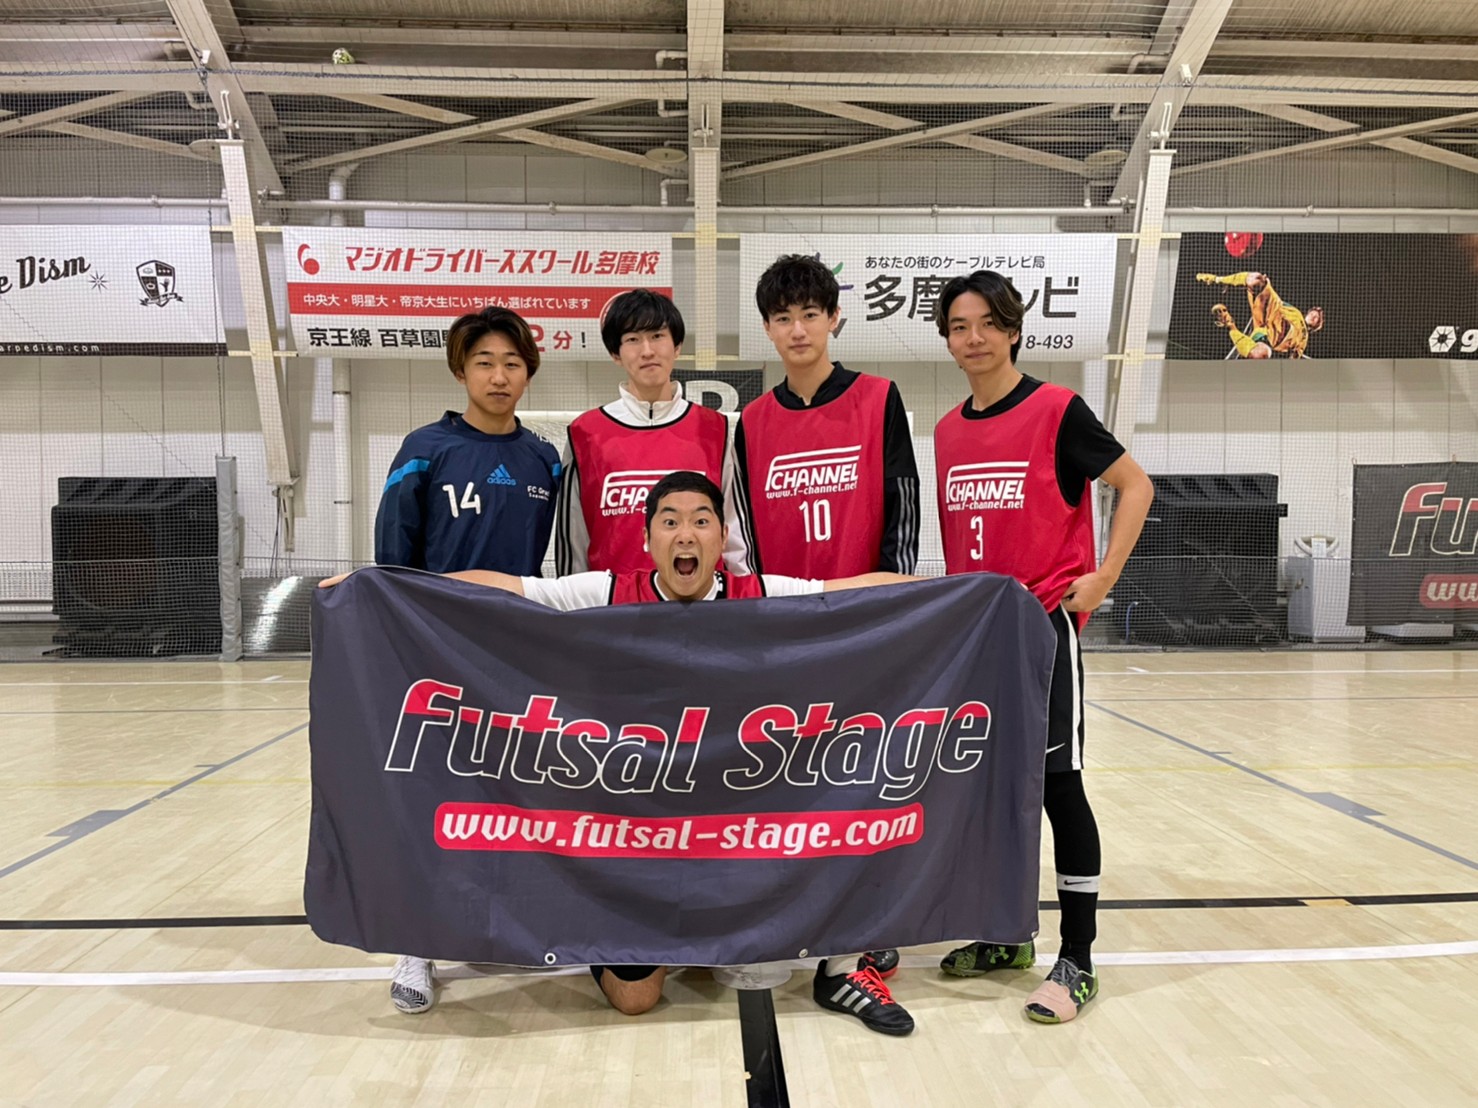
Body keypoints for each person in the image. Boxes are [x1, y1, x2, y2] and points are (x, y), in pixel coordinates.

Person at [323, 471, 918, 1030]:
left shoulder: (762, 593)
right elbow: (510, 588)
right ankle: (487, 932)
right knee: (636, 998)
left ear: (723, 536)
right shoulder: (606, 590)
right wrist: (381, 582)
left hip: (727, 821)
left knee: (791, 904)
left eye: (701, 520)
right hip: (629, 827)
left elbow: (849, 592)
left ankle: (842, 962)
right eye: (670, 521)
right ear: (647, 537)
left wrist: (958, 590)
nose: (686, 534)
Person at [930, 270, 1154, 1024]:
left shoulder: (1057, 409)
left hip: (1041, 633)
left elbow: (1135, 485)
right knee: (992, 790)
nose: (974, 338)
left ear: (1014, 330)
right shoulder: (948, 431)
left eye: (988, 323)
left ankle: (1078, 957)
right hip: (976, 637)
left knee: (1060, 787)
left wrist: (1104, 576)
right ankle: (1006, 936)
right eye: (960, 327)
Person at [729, 253, 919, 1015]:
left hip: (864, 629)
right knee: (795, 784)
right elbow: (744, 538)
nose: (798, 329)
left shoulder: (879, 398)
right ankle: (802, 916)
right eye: (783, 318)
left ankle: (864, 932)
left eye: (811, 314)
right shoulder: (751, 423)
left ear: (835, 318)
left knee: (867, 783)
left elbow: (903, 509)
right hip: (786, 635)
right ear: (767, 329)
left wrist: (892, 608)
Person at [372, 305, 561, 1014]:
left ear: (528, 373)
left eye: (512, 363)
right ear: (461, 370)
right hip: (436, 650)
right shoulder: (425, 449)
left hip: (515, 654)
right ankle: (415, 944)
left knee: (508, 797)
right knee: (432, 795)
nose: (499, 375)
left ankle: (501, 921)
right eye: (485, 362)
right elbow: (393, 558)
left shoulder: (544, 459)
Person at [554, 288, 748, 574]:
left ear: (677, 346)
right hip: (613, 598)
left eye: (657, 336)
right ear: (615, 353)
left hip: (701, 599)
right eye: (632, 339)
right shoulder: (585, 434)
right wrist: (576, 601)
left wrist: (742, 596)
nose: (647, 351)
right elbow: (574, 540)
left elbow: (735, 536)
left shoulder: (714, 429)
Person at [1196, 270, 1325, 358]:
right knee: (1257, 280)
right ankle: (1219, 280)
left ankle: (1230, 324)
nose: (1314, 316)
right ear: (1308, 312)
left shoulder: (1303, 340)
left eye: (1317, 318)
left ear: (1316, 326)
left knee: (1260, 354)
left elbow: (1293, 358)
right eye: (1314, 313)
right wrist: (1263, 288)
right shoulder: (1296, 312)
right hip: (1273, 313)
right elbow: (1275, 301)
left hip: (1270, 336)